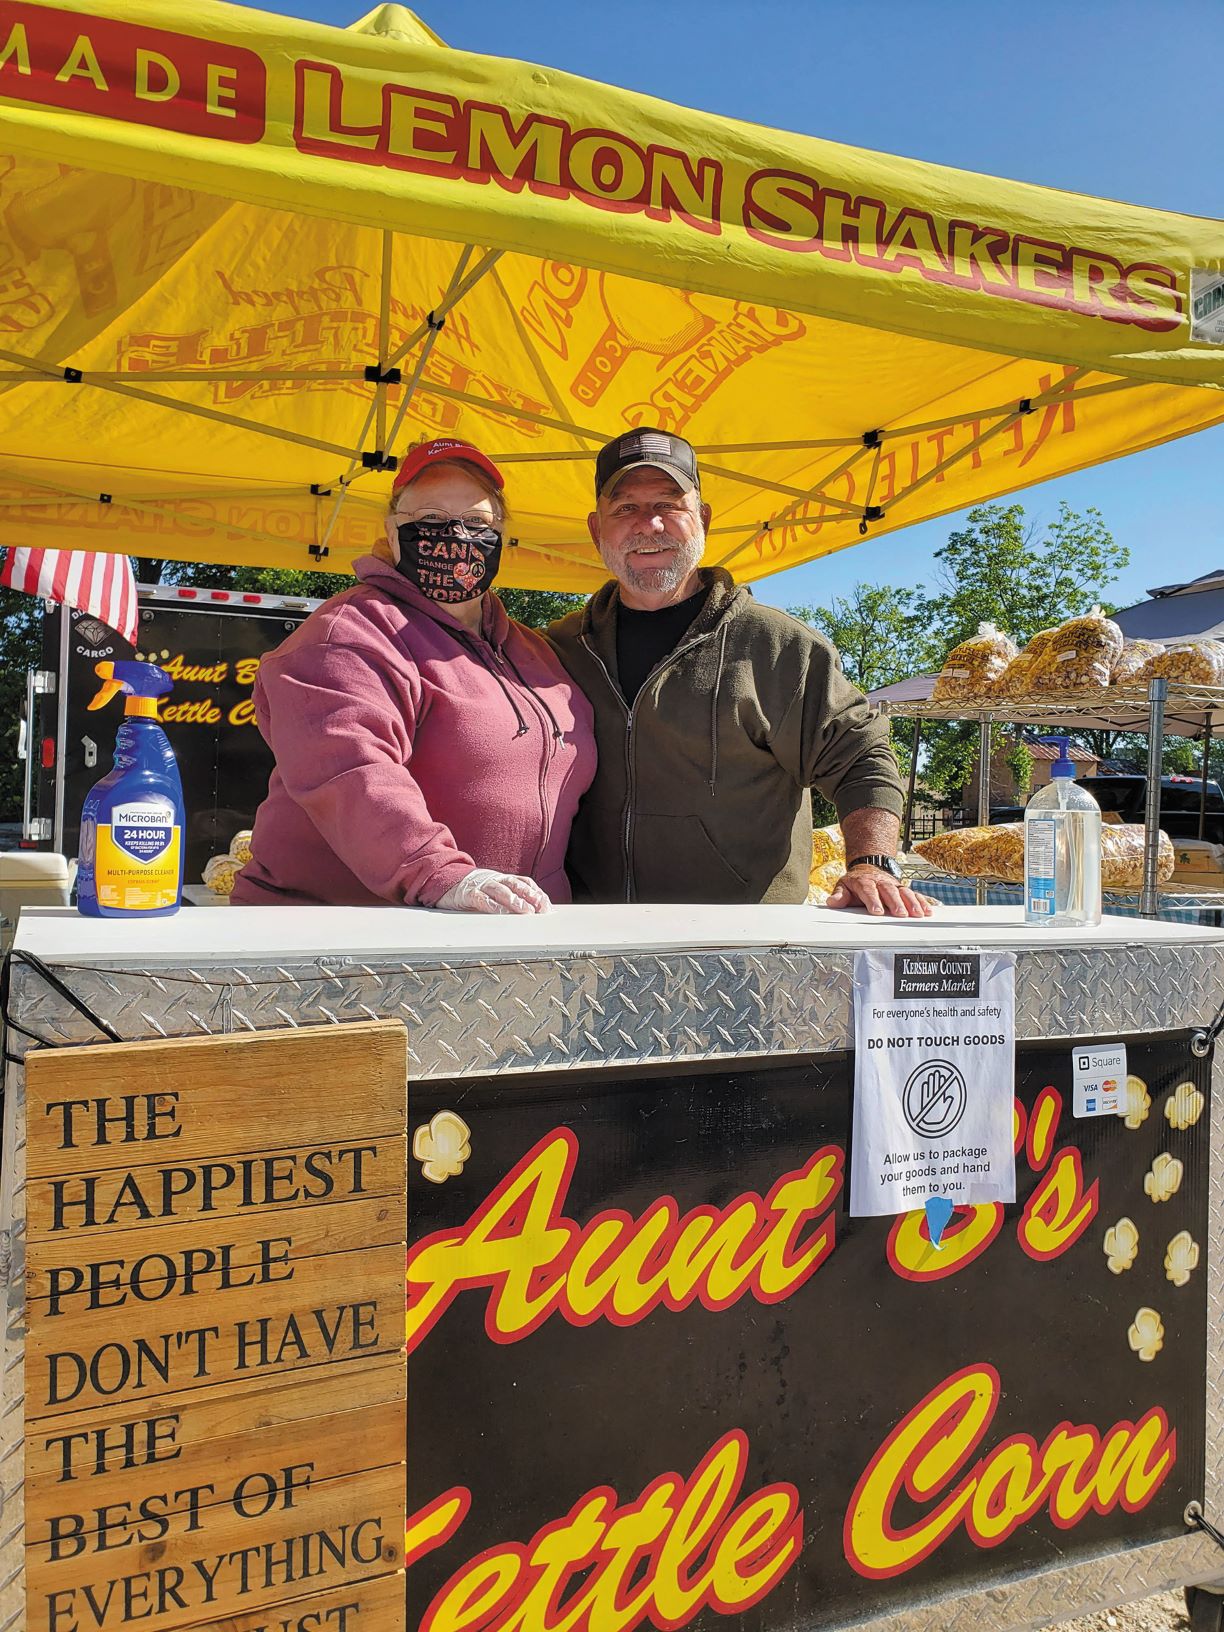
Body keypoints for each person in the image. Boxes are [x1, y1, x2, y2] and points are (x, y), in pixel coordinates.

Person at [546, 428, 933, 918]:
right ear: (596, 529)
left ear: (703, 519)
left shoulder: (778, 647)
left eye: (669, 504)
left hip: (741, 941)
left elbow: (860, 755)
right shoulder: (559, 648)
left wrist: (872, 863)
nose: (649, 524)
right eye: (625, 508)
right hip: (590, 936)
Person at [233, 438, 596, 913]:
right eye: (431, 519)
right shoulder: (349, 635)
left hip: (505, 930)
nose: (457, 537)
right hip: (354, 934)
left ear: (502, 535)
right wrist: (439, 873)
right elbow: (350, 770)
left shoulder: (534, 652)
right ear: (391, 530)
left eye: (477, 523)